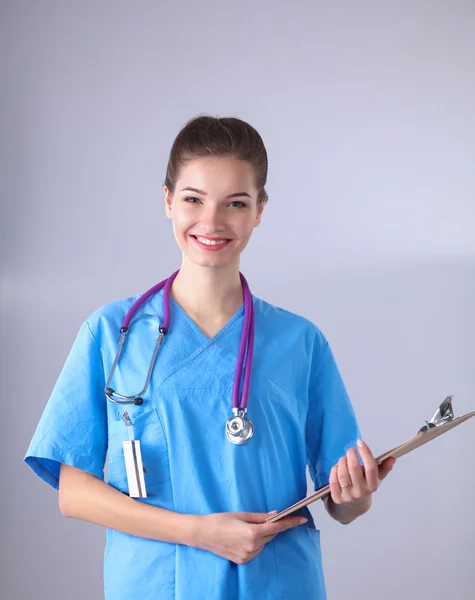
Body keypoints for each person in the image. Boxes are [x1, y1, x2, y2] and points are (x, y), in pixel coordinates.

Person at [24, 115, 395, 600]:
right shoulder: (111, 333)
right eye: (193, 199)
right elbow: (73, 493)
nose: (212, 222)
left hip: (277, 584)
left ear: (260, 209)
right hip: (156, 583)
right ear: (167, 201)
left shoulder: (300, 342)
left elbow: (343, 503)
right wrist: (201, 533)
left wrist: (357, 493)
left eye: (236, 203)